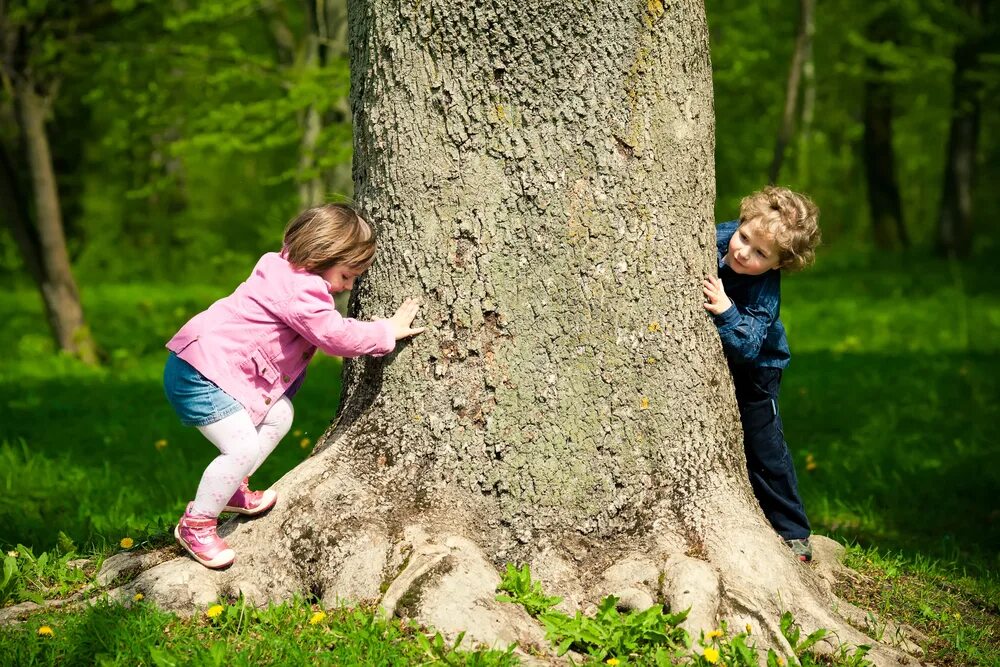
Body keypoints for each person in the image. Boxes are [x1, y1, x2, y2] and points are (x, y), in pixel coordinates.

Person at [163, 203, 424, 569]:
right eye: (347, 276)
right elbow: (334, 336)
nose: (348, 287)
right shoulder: (302, 292)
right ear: (322, 255)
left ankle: (232, 487)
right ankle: (198, 523)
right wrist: (385, 331)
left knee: (279, 415)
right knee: (240, 446)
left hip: (213, 368)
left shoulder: (281, 268)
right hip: (200, 375)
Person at [702, 186, 821, 562]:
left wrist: (725, 310)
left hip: (759, 369)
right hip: (722, 362)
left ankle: (793, 529)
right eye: (743, 237)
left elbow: (749, 346)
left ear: (778, 264)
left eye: (759, 254)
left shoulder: (765, 291)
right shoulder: (721, 237)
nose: (741, 252)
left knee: (763, 443)